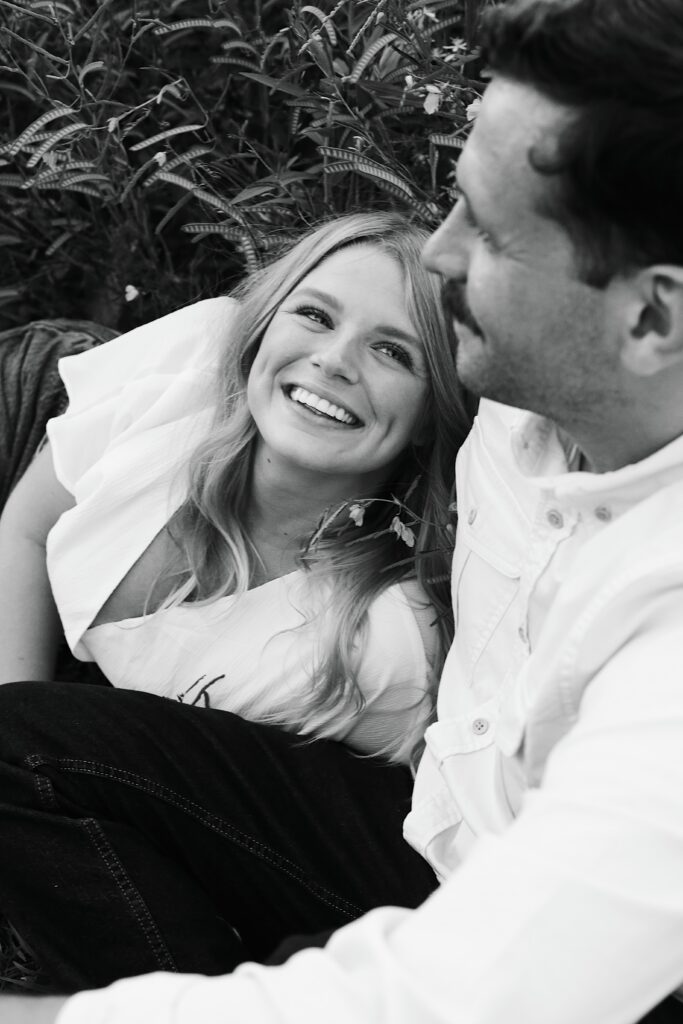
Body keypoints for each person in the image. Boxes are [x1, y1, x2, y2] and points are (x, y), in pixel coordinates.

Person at [3, 0, 683, 1020]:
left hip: (566, 954)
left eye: (487, 232)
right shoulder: (515, 403)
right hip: (411, 827)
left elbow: (472, 992)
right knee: (22, 741)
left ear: (649, 315)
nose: (437, 257)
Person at [0, 212, 468, 766]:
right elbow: (27, 530)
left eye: (393, 352)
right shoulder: (195, 359)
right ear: (265, 323)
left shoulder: (377, 645)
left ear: (429, 418)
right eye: (316, 315)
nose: (333, 360)